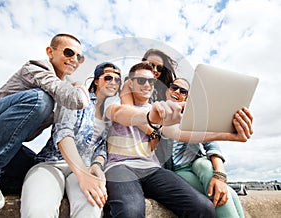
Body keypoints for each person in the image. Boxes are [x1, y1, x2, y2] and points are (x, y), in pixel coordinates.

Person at [103, 62, 253, 218]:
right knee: (130, 212)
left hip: (152, 169)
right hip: (120, 167)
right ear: (131, 83)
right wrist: (149, 117)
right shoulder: (114, 102)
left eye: (151, 81)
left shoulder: (157, 108)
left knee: (203, 207)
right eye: (141, 81)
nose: (147, 84)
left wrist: (228, 135)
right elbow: (120, 113)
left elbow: (179, 133)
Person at [0, 33, 90, 214]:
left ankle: (2, 180)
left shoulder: (61, 86)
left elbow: (35, 133)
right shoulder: (36, 68)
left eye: (80, 57)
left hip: (4, 142)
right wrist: (80, 85)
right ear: (50, 52)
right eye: (69, 52)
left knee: (34, 169)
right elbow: (77, 100)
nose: (74, 60)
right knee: (41, 99)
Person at [20, 62, 122, 218]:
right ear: (96, 80)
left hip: (86, 168)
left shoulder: (111, 114)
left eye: (117, 80)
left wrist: (96, 165)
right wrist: (83, 174)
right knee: (38, 210)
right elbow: (63, 133)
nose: (113, 82)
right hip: (52, 163)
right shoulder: (77, 96)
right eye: (108, 77)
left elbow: (102, 147)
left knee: (91, 209)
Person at [156, 78, 245, 218]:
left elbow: (211, 143)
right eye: (174, 87)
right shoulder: (157, 114)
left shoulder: (193, 117)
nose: (177, 92)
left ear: (186, 97)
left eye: (183, 91)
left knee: (206, 168)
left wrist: (220, 175)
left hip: (198, 161)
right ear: (168, 90)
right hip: (178, 169)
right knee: (228, 193)